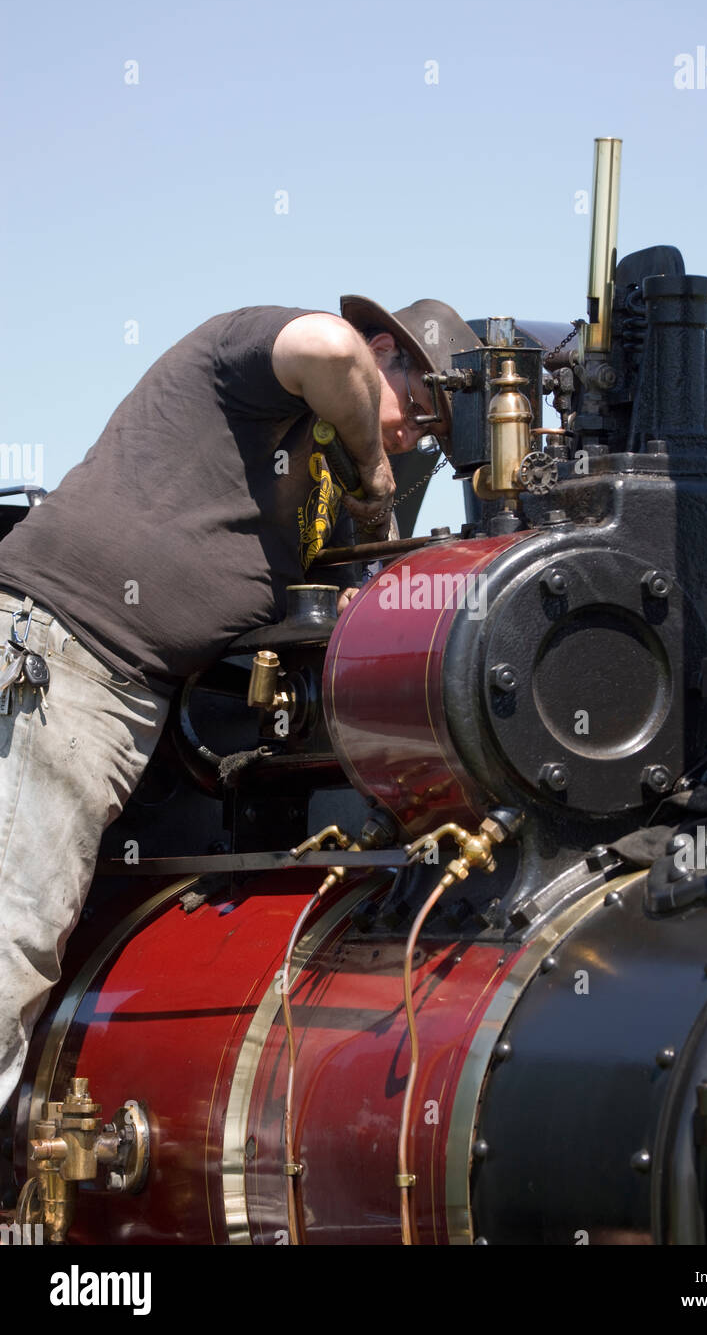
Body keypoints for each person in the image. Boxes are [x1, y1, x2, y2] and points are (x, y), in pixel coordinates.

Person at [0, 294, 481, 1115]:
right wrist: (372, 463)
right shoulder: (257, 349)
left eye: (430, 432)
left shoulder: (315, 484)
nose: (411, 438)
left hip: (121, 692)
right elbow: (328, 350)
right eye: (418, 411)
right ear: (381, 352)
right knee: (11, 939)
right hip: (64, 656)